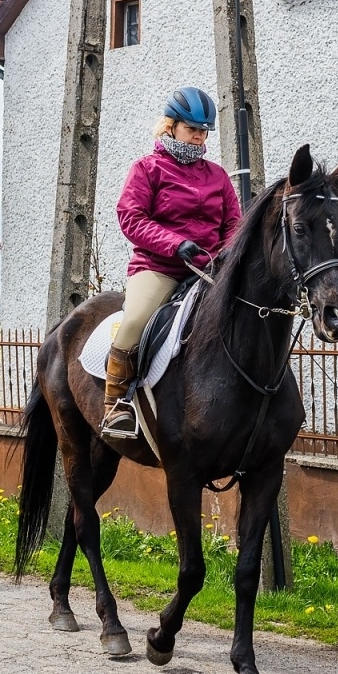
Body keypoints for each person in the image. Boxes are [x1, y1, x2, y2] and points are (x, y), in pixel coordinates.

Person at [103, 86, 240, 438]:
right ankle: (116, 406)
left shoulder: (218, 176)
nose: (198, 137)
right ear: (171, 126)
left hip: (209, 270)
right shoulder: (147, 170)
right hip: (158, 268)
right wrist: (175, 243)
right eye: (192, 129)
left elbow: (234, 225)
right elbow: (131, 218)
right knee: (135, 320)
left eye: (203, 131)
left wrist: (222, 257)